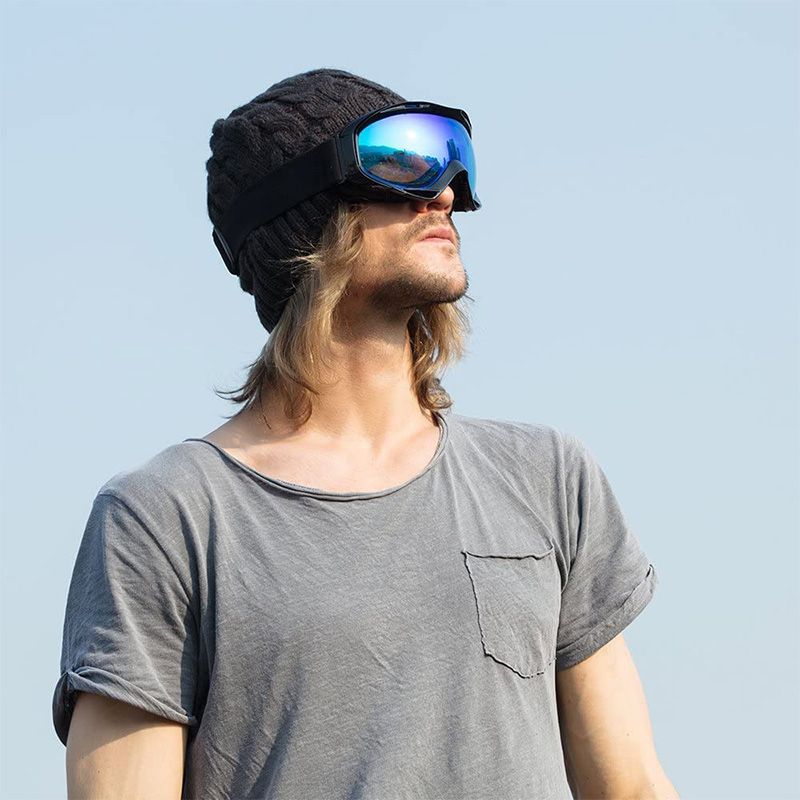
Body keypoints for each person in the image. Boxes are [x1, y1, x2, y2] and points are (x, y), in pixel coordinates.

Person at [52, 68, 679, 799]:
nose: (444, 194)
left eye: (452, 164)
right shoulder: (164, 516)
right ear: (303, 215)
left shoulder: (548, 477)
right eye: (400, 163)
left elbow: (632, 787)